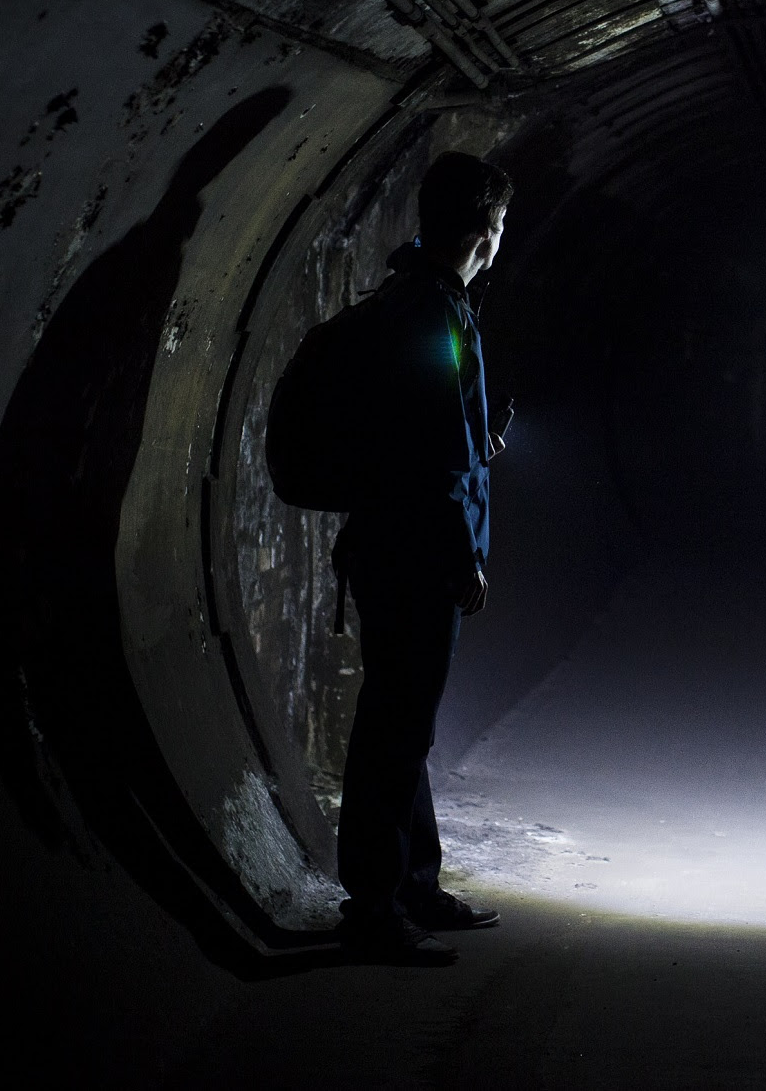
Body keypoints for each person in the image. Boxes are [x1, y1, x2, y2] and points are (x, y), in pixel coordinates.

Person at [335, 151, 514, 963]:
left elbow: (430, 431)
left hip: (391, 545)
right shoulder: (435, 313)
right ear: (486, 228)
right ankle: (374, 905)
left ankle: (414, 884)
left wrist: (483, 444)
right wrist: (461, 558)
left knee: (406, 723)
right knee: (394, 729)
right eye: (501, 225)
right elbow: (434, 458)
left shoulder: (414, 298)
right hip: (413, 555)